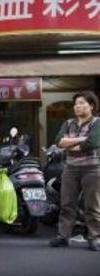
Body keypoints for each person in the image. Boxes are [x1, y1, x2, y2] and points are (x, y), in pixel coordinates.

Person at [49, 91, 100, 252]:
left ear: (91, 106)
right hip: (70, 168)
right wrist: (80, 140)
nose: (78, 107)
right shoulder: (68, 123)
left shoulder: (97, 123)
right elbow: (58, 142)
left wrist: (69, 144)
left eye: (82, 103)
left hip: (92, 168)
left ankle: (94, 238)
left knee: (92, 206)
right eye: (76, 104)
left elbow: (92, 143)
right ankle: (63, 237)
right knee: (66, 204)